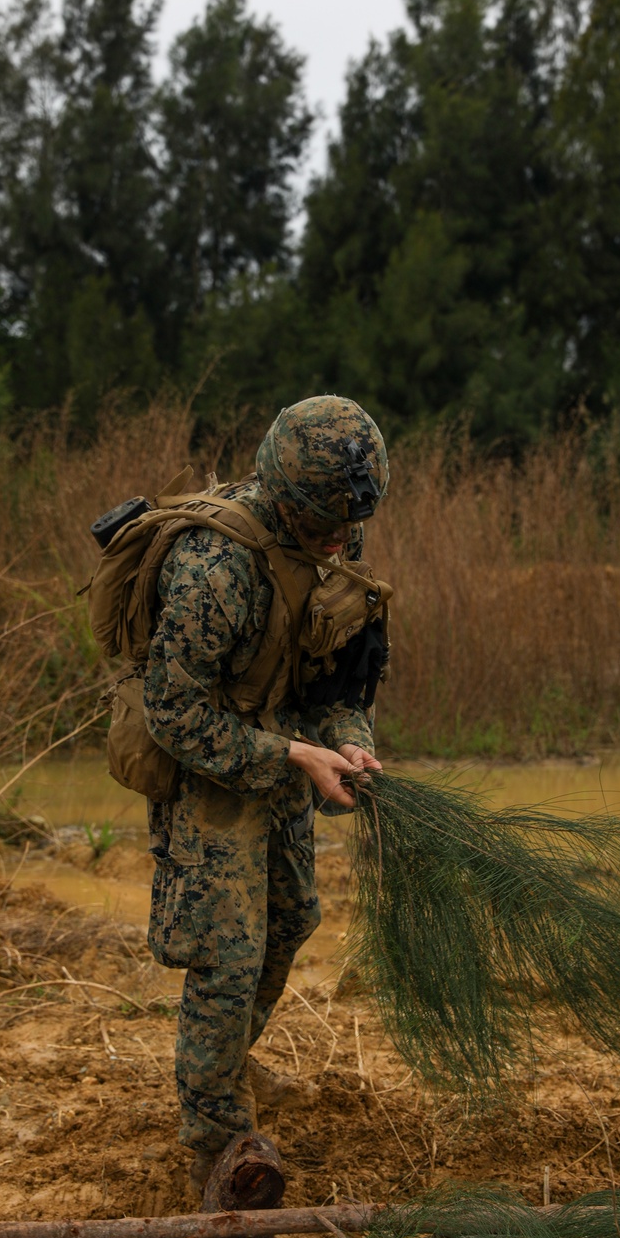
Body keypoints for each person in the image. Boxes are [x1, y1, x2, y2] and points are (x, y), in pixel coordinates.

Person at [141, 395, 390, 1196]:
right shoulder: (212, 569)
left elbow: (341, 677)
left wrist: (350, 739)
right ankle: (214, 1143)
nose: (336, 542)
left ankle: (218, 1074)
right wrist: (288, 752)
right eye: (322, 526)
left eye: (345, 528)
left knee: (289, 921)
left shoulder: (335, 533)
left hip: (290, 755)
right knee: (228, 954)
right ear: (284, 495)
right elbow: (174, 712)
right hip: (212, 766)